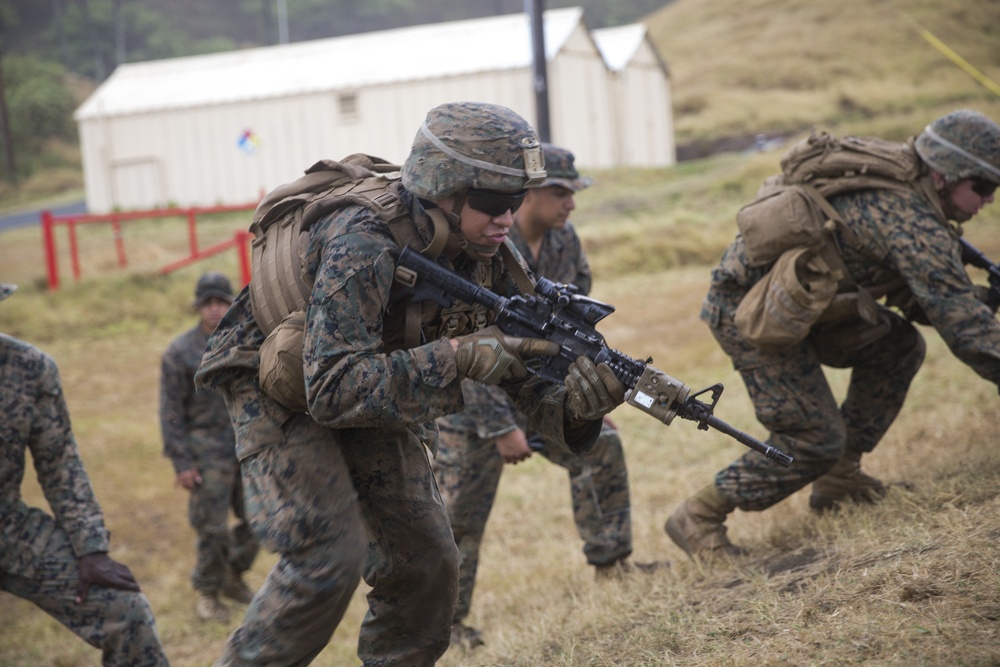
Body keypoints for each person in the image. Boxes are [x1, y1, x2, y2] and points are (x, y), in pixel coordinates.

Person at [195, 101, 625, 666]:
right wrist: (459, 357)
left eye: (515, 202)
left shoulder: (493, 252)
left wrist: (577, 409)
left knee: (427, 562)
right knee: (327, 555)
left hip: (372, 378)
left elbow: (522, 376)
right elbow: (331, 387)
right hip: (274, 378)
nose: (506, 218)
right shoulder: (362, 238)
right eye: (493, 202)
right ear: (444, 187)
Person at [665, 109, 1000, 559]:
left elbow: (927, 301)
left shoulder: (907, 194)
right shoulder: (909, 218)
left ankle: (840, 478)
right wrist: (973, 310)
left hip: (808, 305)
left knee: (897, 346)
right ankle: (699, 515)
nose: (988, 200)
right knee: (813, 438)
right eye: (982, 186)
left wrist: (983, 300)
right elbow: (966, 331)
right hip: (749, 311)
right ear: (944, 173)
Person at [434, 143, 646, 650]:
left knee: (602, 450)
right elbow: (466, 345)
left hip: (538, 394)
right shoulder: (480, 247)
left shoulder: (564, 241)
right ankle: (445, 625)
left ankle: (611, 563)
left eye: (573, 193)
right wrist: (501, 428)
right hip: (472, 408)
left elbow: (576, 331)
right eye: (559, 192)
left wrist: (583, 406)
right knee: (457, 517)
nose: (569, 203)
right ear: (524, 196)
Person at [0, 283, 169, 666]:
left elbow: (59, 463)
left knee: (126, 612)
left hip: (8, 526)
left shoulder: (27, 367)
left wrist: (91, 547)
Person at [159, 271, 259, 622]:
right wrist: (182, 462)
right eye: (208, 303)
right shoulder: (180, 352)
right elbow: (170, 413)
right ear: (198, 307)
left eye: (221, 302)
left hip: (248, 445)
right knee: (211, 527)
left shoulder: (246, 340)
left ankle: (233, 575)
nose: (215, 310)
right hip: (205, 453)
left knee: (260, 520)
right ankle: (209, 592)